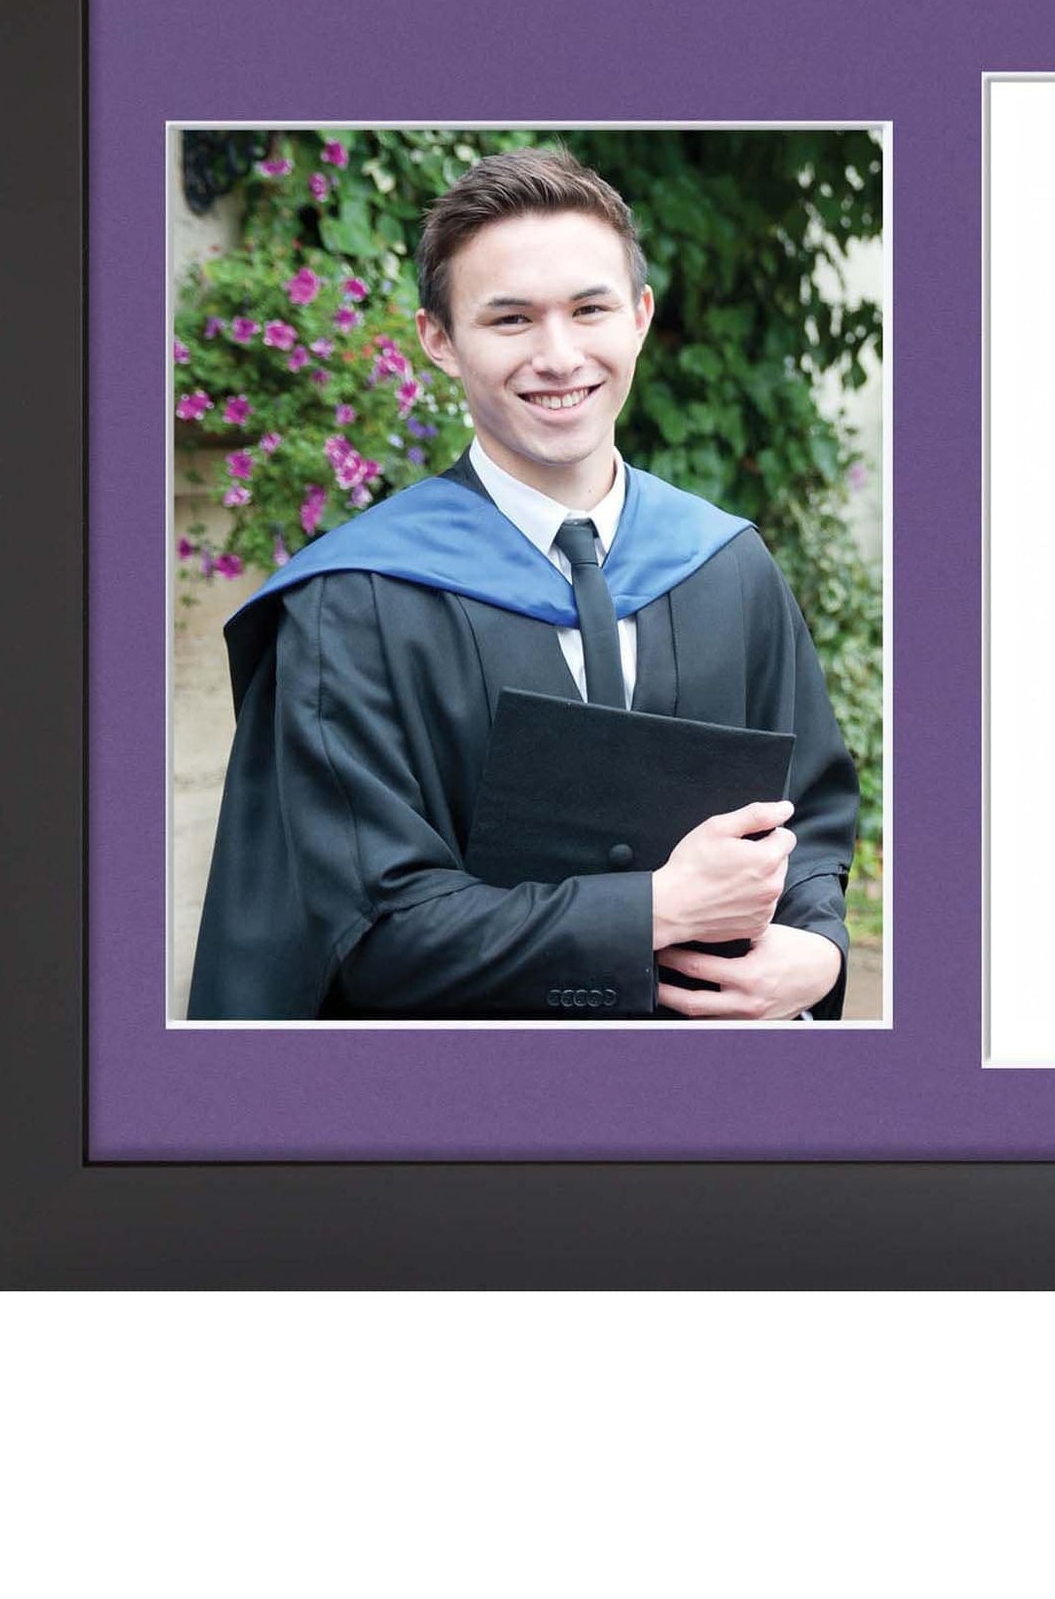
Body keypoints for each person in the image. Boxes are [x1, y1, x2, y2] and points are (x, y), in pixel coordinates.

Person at [188, 146, 860, 1022]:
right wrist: (652, 910)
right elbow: (370, 929)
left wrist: (818, 946)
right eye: (510, 319)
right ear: (438, 339)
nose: (559, 355)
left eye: (590, 309)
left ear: (640, 316)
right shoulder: (351, 603)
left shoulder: (727, 565)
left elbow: (810, 809)